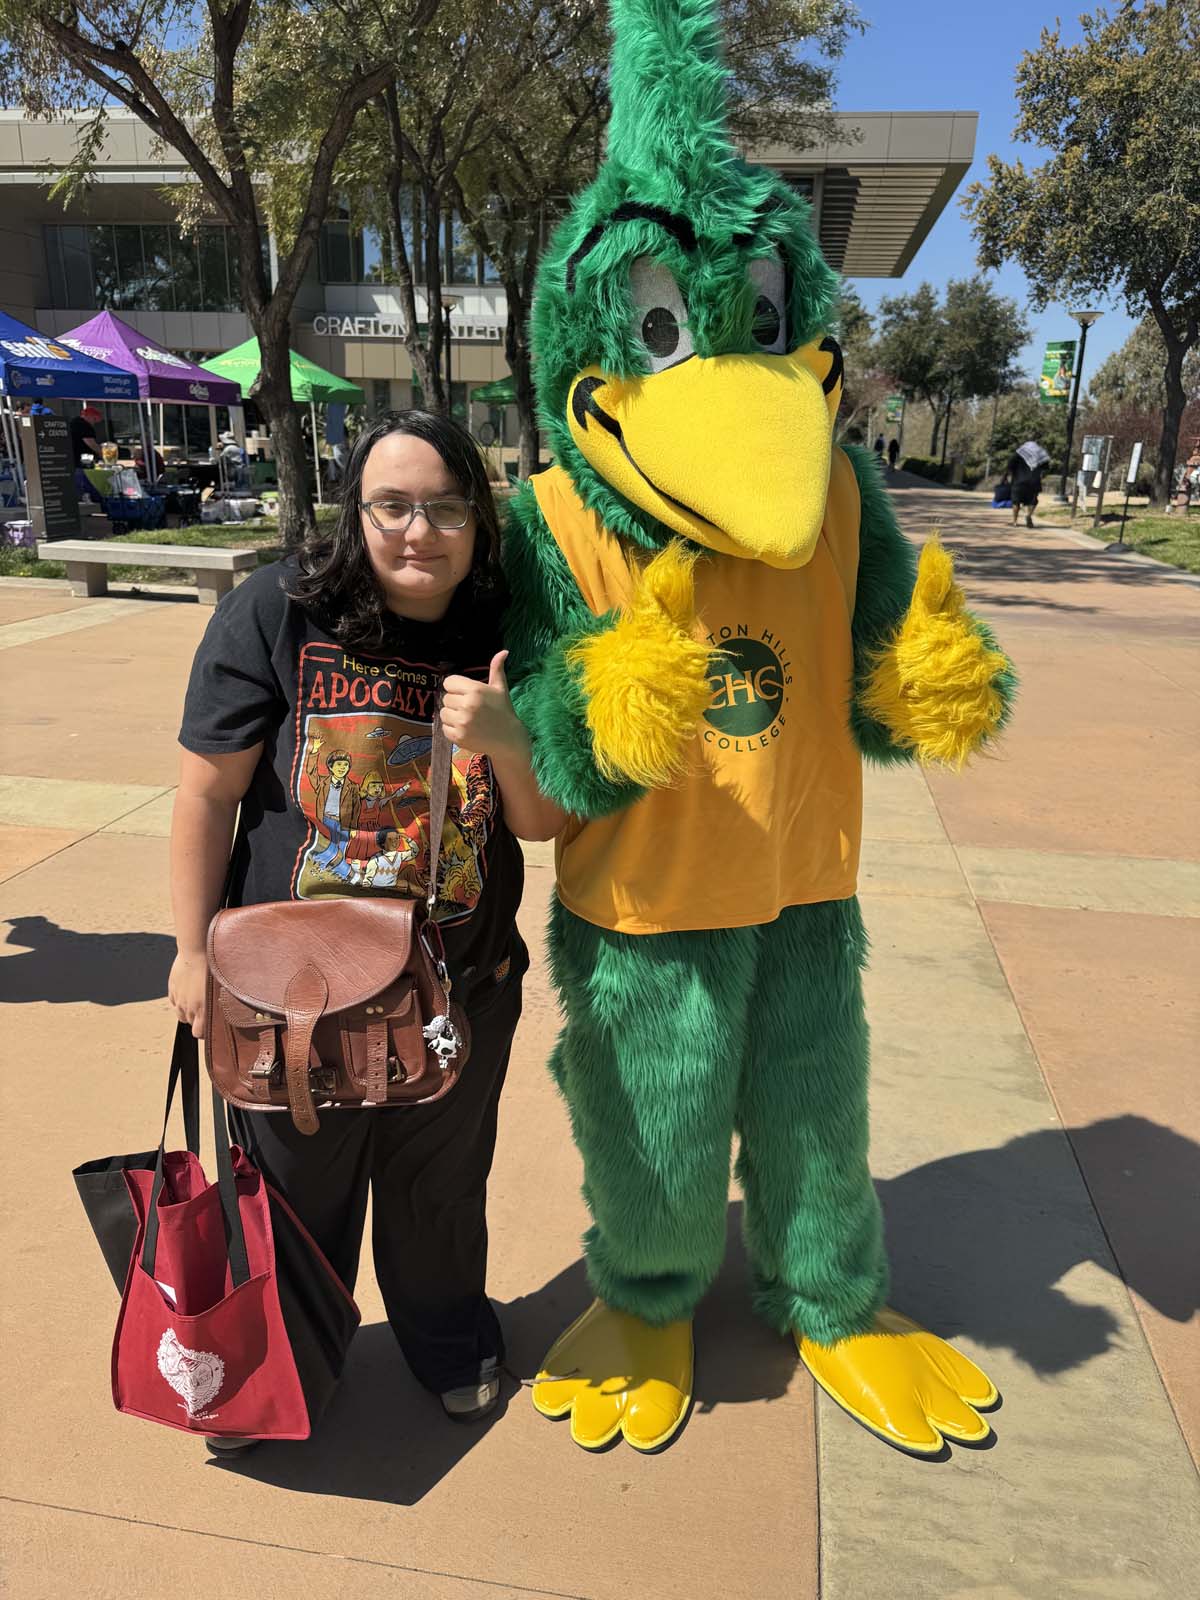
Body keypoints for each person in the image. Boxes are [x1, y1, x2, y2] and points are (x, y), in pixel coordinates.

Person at [168, 410, 565, 1450]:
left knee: (440, 1181)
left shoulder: (511, 626)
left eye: (443, 506)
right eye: (392, 505)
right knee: (296, 1184)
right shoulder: (277, 611)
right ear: (359, 511)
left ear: (479, 517)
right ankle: (280, 1368)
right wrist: (186, 950)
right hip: (292, 984)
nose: (418, 531)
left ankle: (445, 1341)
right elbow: (207, 797)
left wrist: (510, 738)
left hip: (461, 976)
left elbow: (543, 821)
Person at [1006, 440, 1049, 528]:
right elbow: (1046, 467)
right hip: (1034, 482)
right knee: (1032, 501)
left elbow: (1010, 465)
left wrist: (1010, 475)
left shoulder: (1019, 453)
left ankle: (1015, 521)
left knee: (1016, 502)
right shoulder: (1041, 453)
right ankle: (1028, 515)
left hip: (1018, 481)